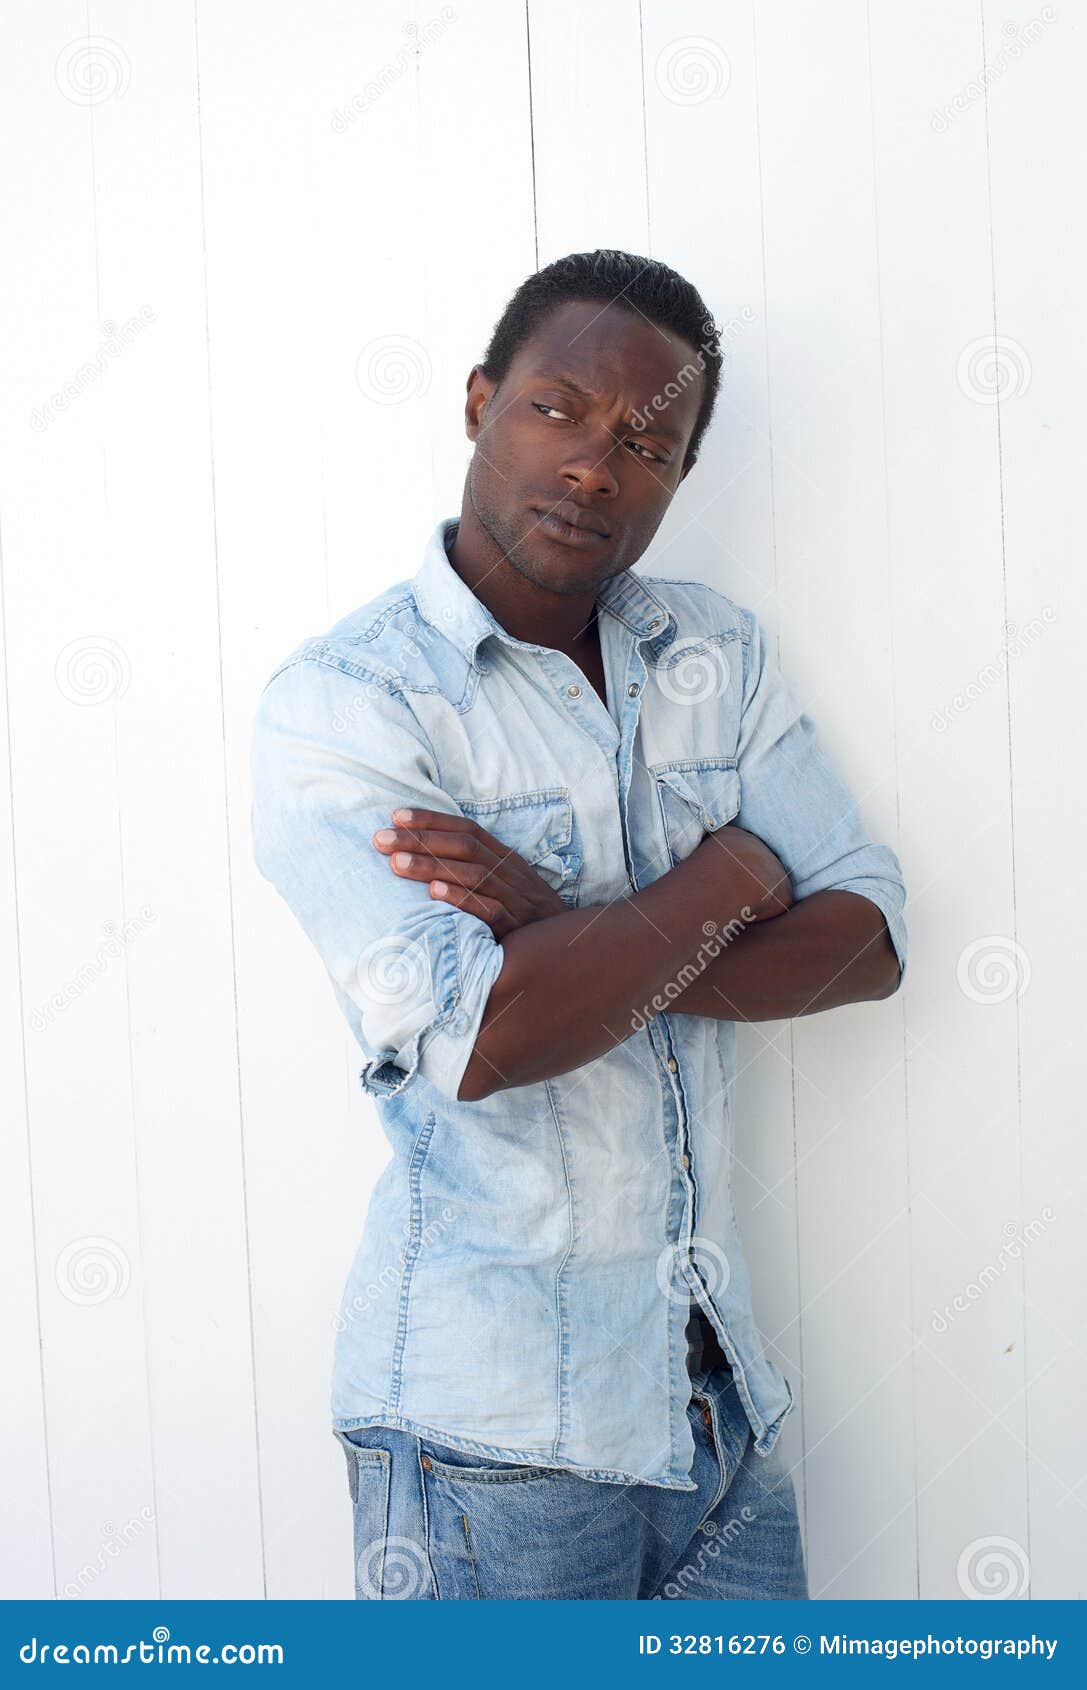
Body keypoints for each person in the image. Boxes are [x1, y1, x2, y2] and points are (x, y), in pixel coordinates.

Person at [250, 249, 907, 1600]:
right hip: (494, 1438)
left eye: (647, 441)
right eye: (559, 407)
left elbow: (865, 943)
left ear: (676, 478)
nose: (598, 464)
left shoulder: (713, 655)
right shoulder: (348, 704)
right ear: (483, 399)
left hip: (712, 1407)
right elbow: (492, 1033)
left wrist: (573, 925)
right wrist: (724, 882)